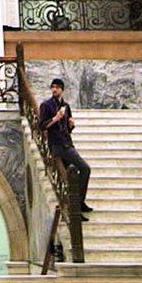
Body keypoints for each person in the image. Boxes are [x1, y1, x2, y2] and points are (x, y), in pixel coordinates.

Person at [38, 78, 92, 219]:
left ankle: (78, 203)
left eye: (57, 87)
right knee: (85, 168)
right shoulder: (46, 105)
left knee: (72, 177)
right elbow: (42, 126)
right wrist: (55, 118)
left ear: (62, 89)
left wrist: (71, 125)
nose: (54, 89)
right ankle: (77, 206)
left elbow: (67, 129)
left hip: (67, 143)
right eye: (52, 87)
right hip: (58, 145)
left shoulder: (66, 106)